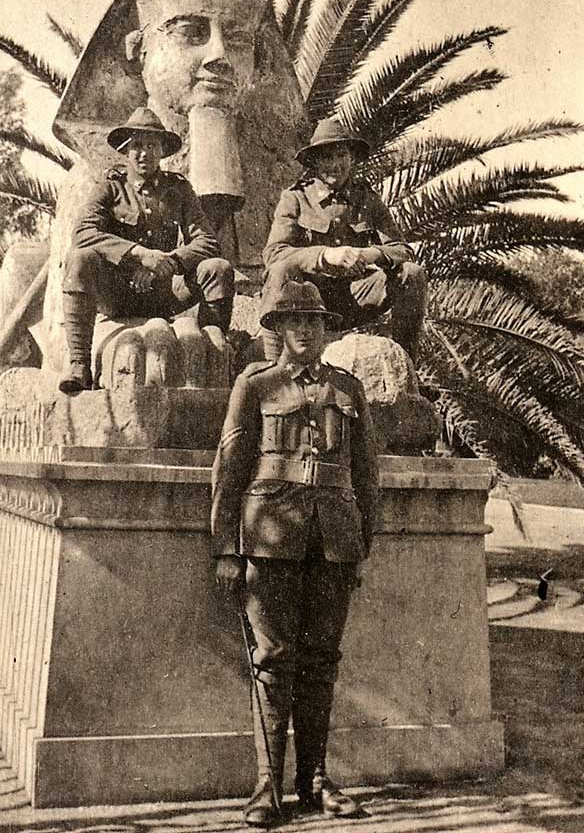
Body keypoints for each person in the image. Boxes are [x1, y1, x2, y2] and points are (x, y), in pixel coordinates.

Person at [211, 280, 379, 827]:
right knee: (273, 663)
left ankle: (316, 780)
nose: (306, 330)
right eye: (295, 322)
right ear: (278, 330)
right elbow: (230, 468)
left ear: (326, 330)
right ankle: (268, 787)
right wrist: (227, 549)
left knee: (322, 662)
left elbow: (367, 478)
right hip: (271, 538)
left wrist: (360, 546)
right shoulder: (255, 385)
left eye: (315, 322)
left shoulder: (348, 390)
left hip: (334, 543)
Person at [59, 106, 234, 394]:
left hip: (164, 291)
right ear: (126, 152)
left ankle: (213, 357)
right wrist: (138, 255)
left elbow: (207, 241)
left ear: (163, 151)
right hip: (118, 291)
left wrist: (172, 263)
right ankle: (79, 365)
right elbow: (83, 233)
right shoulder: (111, 187)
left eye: (152, 146)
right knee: (79, 259)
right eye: (137, 146)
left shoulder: (178, 188)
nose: (144, 153)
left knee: (218, 269)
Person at [262, 117, 427, 362]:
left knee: (412, 273)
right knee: (279, 270)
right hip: (309, 301)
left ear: (351, 158)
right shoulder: (296, 198)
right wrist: (324, 255)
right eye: (327, 157)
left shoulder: (367, 199)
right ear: (316, 162)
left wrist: (369, 255)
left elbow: (401, 249)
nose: (335, 164)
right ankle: (272, 368)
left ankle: (407, 367)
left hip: (356, 295)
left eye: (341, 155)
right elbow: (274, 254)